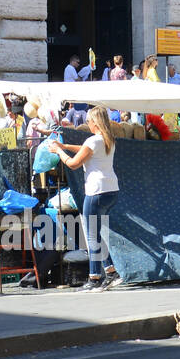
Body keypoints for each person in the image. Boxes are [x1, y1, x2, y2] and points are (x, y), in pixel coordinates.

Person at [46, 106, 121, 291]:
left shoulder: (93, 140)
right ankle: (109, 272)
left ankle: (95, 278)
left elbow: (73, 163)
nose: (87, 123)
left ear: (94, 122)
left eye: (88, 121)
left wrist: (58, 151)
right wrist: (65, 146)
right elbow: (85, 150)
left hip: (96, 191)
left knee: (91, 235)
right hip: (111, 190)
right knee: (95, 233)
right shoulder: (107, 139)